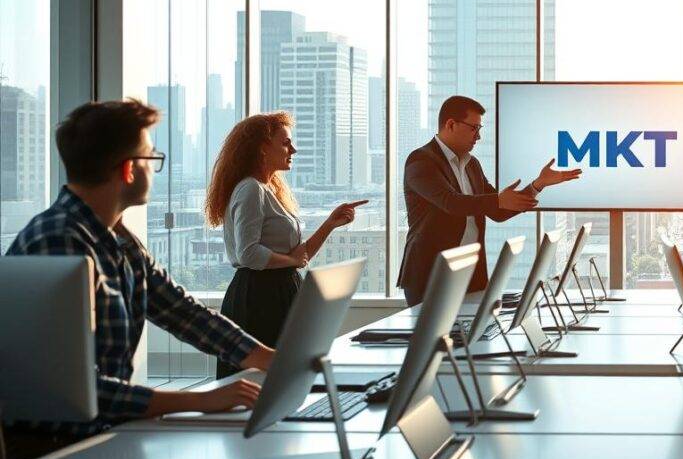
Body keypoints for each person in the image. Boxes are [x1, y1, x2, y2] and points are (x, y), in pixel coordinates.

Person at [3, 100, 274, 459]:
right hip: (51, 457)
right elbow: (79, 392)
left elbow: (183, 312)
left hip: (105, 443)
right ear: (130, 169)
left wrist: (273, 361)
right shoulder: (59, 243)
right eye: (152, 158)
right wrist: (199, 400)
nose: (154, 168)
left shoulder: (119, 240)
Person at [205, 112, 366, 378]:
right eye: (286, 143)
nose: (294, 149)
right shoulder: (250, 190)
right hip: (259, 299)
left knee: (287, 378)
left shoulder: (268, 190)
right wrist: (292, 261)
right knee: (265, 381)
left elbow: (300, 257)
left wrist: (329, 224)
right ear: (262, 148)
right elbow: (249, 254)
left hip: (280, 292)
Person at [399, 95, 582, 305]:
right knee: (434, 338)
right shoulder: (421, 161)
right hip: (430, 275)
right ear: (451, 124)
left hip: (470, 273)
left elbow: (499, 210)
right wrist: (498, 199)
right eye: (474, 128)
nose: (478, 136)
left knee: (474, 335)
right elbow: (451, 203)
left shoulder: (471, 164)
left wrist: (537, 185)